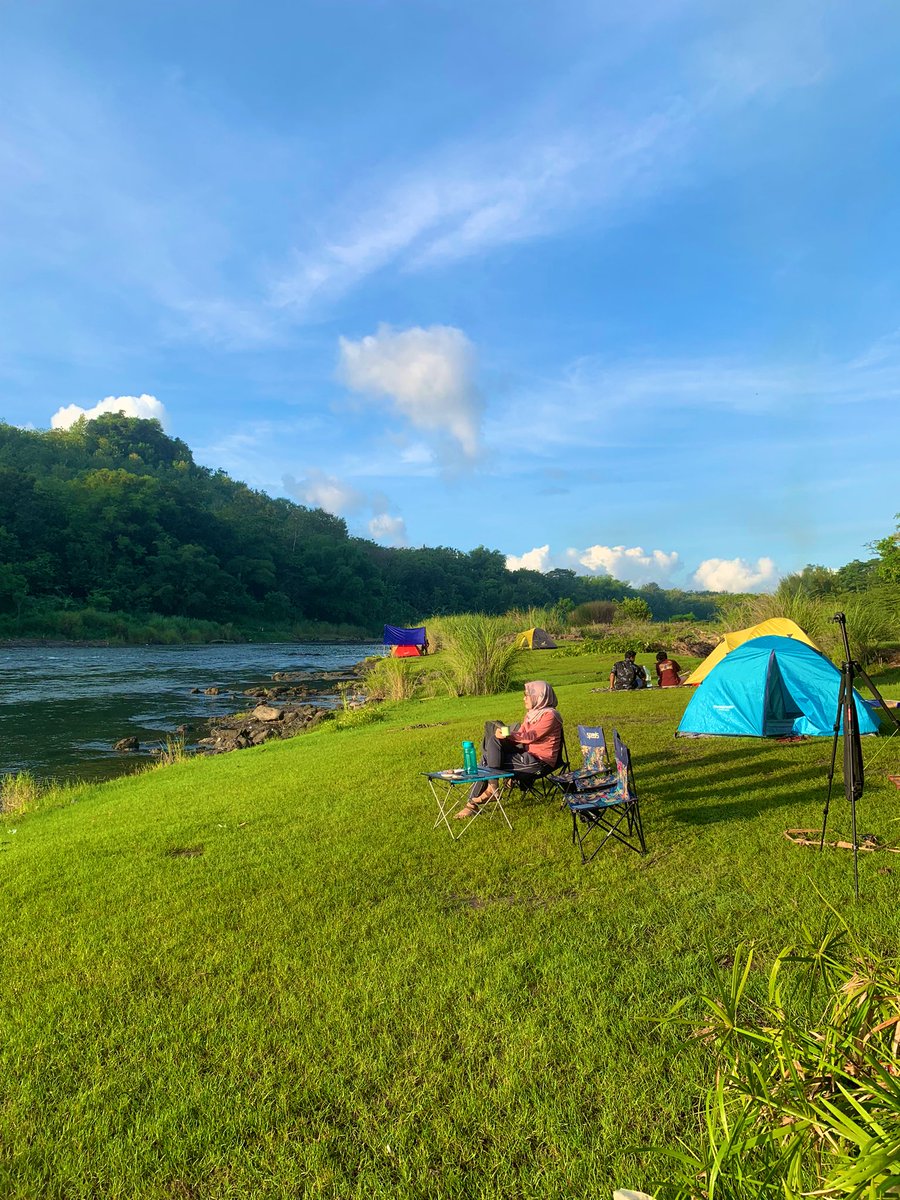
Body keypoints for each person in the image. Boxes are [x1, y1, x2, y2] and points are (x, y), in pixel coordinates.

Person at [455, 680, 563, 818]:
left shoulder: (550, 715)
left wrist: (510, 734)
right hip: (526, 755)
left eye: (527, 695)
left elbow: (530, 736)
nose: (524, 698)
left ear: (539, 696)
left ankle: (479, 798)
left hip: (539, 761)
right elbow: (522, 733)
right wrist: (503, 736)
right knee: (494, 741)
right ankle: (491, 788)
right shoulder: (532, 714)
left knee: (486, 761)